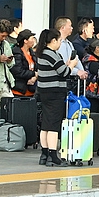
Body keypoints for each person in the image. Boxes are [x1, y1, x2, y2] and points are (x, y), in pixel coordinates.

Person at [35, 28, 79, 166]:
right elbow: (64, 72)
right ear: (53, 41)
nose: (60, 43)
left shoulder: (41, 53)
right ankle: (53, 156)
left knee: (46, 124)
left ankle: (44, 153)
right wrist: (72, 65)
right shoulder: (52, 54)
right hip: (55, 93)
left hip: (44, 92)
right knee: (53, 124)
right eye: (59, 40)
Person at [53, 16, 88, 83]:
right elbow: (64, 64)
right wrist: (77, 71)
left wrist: (82, 71)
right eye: (70, 26)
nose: (72, 28)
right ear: (62, 27)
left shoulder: (69, 43)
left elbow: (75, 59)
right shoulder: (56, 44)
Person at [0, 19, 16, 102]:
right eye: (3, 36)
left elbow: (12, 64)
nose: (4, 38)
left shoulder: (5, 44)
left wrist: (9, 60)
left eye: (6, 36)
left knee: (11, 109)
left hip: (6, 82)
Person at [11, 30, 38, 97]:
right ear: (25, 41)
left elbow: (37, 68)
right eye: (31, 38)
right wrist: (33, 73)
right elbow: (18, 71)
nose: (33, 41)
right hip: (19, 91)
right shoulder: (16, 52)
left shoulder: (32, 53)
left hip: (31, 91)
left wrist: (35, 77)